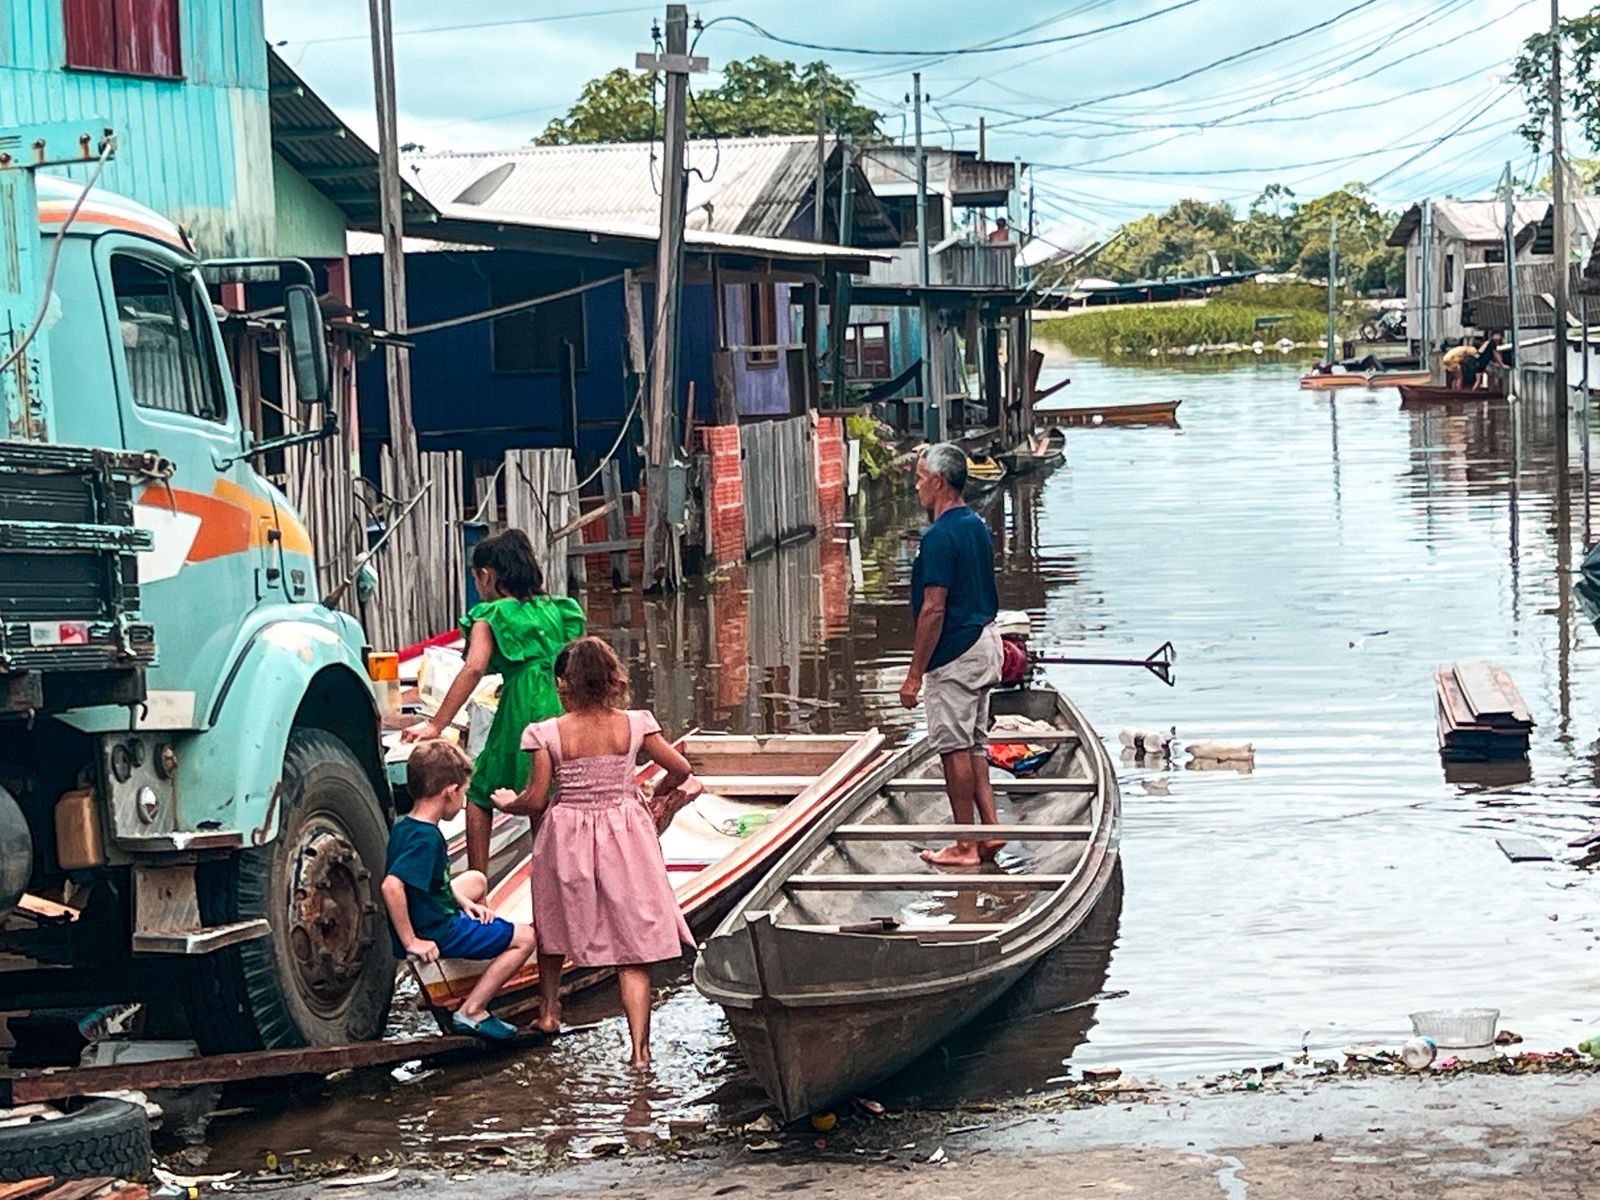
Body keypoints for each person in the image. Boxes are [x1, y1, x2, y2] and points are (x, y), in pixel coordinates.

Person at [493, 636, 696, 1069]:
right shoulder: (637, 724)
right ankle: (640, 1053)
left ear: (568, 684)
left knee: (553, 920)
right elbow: (681, 769)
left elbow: (534, 800)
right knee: (631, 948)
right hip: (626, 833)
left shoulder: (547, 733)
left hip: (567, 832)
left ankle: (549, 1013)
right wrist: (657, 793)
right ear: (610, 679)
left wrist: (506, 801)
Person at [402, 530, 585, 876]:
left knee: (481, 788)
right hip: (562, 701)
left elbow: (473, 669)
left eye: (476, 578)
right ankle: (550, 880)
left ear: (486, 575)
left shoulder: (492, 615)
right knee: (545, 793)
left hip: (523, 706)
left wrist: (436, 724)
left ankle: (478, 883)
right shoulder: (557, 609)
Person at [380, 740, 536, 1042]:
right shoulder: (427, 840)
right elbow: (391, 885)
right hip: (438, 929)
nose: (465, 802)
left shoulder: (404, 827)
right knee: (526, 938)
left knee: (477, 879)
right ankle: (473, 1010)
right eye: (463, 793)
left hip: (428, 908)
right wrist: (412, 941)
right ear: (449, 791)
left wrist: (462, 900)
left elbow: (429, 884)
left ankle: (481, 927)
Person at [898, 442, 1005, 867]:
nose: (918, 487)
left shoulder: (940, 536)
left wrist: (914, 674)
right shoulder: (975, 525)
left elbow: (933, 608)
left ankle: (964, 845)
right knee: (974, 744)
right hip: (983, 642)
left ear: (940, 482)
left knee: (954, 748)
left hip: (957, 652)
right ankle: (990, 831)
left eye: (922, 478)